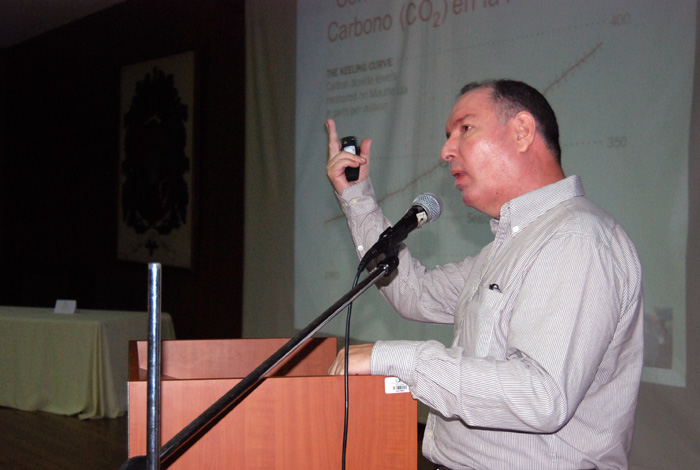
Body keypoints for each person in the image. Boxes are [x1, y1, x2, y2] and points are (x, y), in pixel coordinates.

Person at [325, 79, 644, 470]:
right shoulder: (508, 248)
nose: (445, 151)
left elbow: (540, 397)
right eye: (448, 136)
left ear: (523, 131)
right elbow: (416, 293)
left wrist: (393, 358)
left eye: (465, 129)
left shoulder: (576, 238)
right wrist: (357, 198)